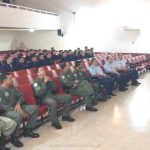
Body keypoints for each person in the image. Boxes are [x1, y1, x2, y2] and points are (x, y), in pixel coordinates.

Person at [0, 73, 39, 148]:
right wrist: (20, 111)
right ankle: (14, 137)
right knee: (18, 116)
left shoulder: (12, 88)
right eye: (10, 78)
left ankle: (28, 130)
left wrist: (18, 103)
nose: (12, 79)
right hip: (7, 111)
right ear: (4, 80)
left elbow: (21, 96)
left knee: (34, 108)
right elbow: (4, 107)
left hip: (18, 107)